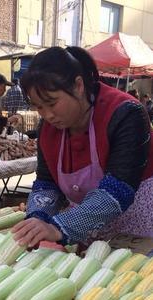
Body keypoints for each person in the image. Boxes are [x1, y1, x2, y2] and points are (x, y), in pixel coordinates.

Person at [12, 46, 153, 248]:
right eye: (39, 107)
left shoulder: (126, 113)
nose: (47, 115)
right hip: (83, 231)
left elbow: (118, 189)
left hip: (135, 229)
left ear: (78, 85)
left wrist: (59, 228)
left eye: (51, 103)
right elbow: (46, 181)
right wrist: (38, 218)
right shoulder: (48, 128)